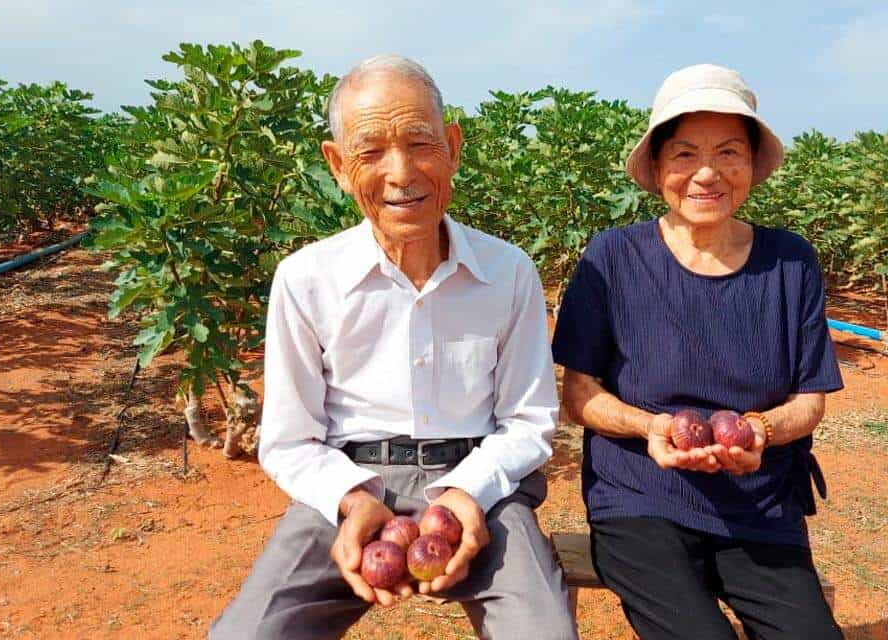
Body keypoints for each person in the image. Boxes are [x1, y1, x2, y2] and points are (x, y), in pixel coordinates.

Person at [210, 55, 578, 640]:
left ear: (453, 147)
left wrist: (465, 494)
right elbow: (289, 440)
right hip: (349, 486)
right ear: (337, 165)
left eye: (420, 142)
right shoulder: (306, 278)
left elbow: (528, 420)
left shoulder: (509, 271)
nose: (401, 171)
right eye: (371, 150)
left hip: (480, 486)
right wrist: (353, 503)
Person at [552, 63, 845, 640]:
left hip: (758, 504)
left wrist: (759, 429)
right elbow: (579, 393)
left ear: (752, 166)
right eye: (685, 154)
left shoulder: (789, 261)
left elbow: (810, 397)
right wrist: (650, 427)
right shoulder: (613, 258)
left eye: (729, 153)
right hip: (640, 497)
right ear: (658, 167)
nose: (706, 174)